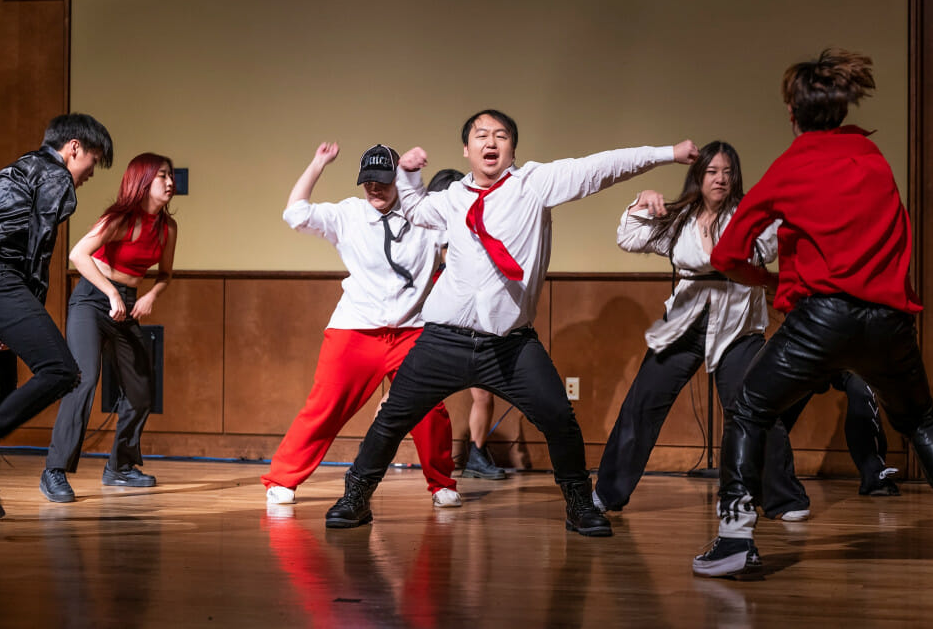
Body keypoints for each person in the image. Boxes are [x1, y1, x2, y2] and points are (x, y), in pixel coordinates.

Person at [692, 48, 933, 577]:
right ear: (841, 107)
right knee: (921, 419)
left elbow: (725, 255)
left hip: (822, 320)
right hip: (889, 322)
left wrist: (769, 279)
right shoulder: (873, 159)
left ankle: (736, 539)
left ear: (793, 113)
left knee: (748, 410)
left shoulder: (793, 164)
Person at [324, 108, 698, 536]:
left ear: (512, 148)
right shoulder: (452, 199)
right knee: (392, 417)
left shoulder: (534, 184)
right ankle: (356, 497)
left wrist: (667, 153)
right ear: (466, 150)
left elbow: (601, 167)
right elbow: (414, 210)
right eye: (481, 135)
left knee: (559, 419)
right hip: (443, 340)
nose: (491, 142)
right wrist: (407, 175)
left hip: (509, 345)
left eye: (500, 135)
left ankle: (579, 504)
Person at [593, 141, 810, 520]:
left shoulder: (749, 215)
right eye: (712, 171)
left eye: (727, 172)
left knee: (755, 408)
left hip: (737, 327)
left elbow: (773, 245)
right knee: (641, 406)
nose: (720, 179)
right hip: (684, 325)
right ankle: (607, 493)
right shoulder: (679, 217)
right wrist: (641, 201)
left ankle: (783, 498)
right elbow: (628, 238)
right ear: (699, 175)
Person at [261, 143, 460, 509]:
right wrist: (318, 163)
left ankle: (442, 483)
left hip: (411, 331)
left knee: (430, 409)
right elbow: (294, 213)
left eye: (383, 181)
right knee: (325, 404)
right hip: (355, 329)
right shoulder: (348, 214)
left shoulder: (423, 214)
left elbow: (455, 246)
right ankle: (283, 477)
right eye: (368, 182)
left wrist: (414, 174)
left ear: (396, 180)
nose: (375, 189)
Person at [0, 112, 113, 521]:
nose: (90, 173)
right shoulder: (56, 178)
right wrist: (26, 308)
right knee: (62, 371)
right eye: (93, 161)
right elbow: (39, 246)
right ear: (73, 148)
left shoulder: (12, 170)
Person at [40, 153, 178, 502]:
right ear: (143, 180)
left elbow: (165, 274)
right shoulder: (120, 218)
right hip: (91, 298)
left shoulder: (167, 227)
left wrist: (149, 297)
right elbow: (78, 255)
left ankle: (119, 467)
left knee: (142, 388)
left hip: (127, 303)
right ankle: (54, 471)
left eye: (171, 176)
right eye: (162, 175)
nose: (170, 182)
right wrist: (112, 292)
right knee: (83, 380)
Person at [427, 168, 507, 481]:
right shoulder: (426, 231)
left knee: (483, 393)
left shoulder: (476, 227)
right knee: (407, 393)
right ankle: (380, 446)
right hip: (433, 320)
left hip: (473, 321)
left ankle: (476, 454)